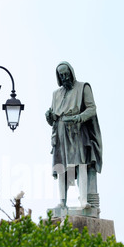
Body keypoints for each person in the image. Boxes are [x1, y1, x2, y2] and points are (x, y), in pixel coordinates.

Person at [45, 61, 102, 209]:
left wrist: (79, 117)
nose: (65, 77)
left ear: (71, 72)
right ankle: (62, 203)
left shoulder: (83, 87)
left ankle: (83, 200)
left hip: (77, 129)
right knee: (60, 167)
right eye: (61, 75)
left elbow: (92, 109)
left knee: (81, 163)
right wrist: (49, 116)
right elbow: (53, 119)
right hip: (60, 132)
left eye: (66, 73)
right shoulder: (56, 94)